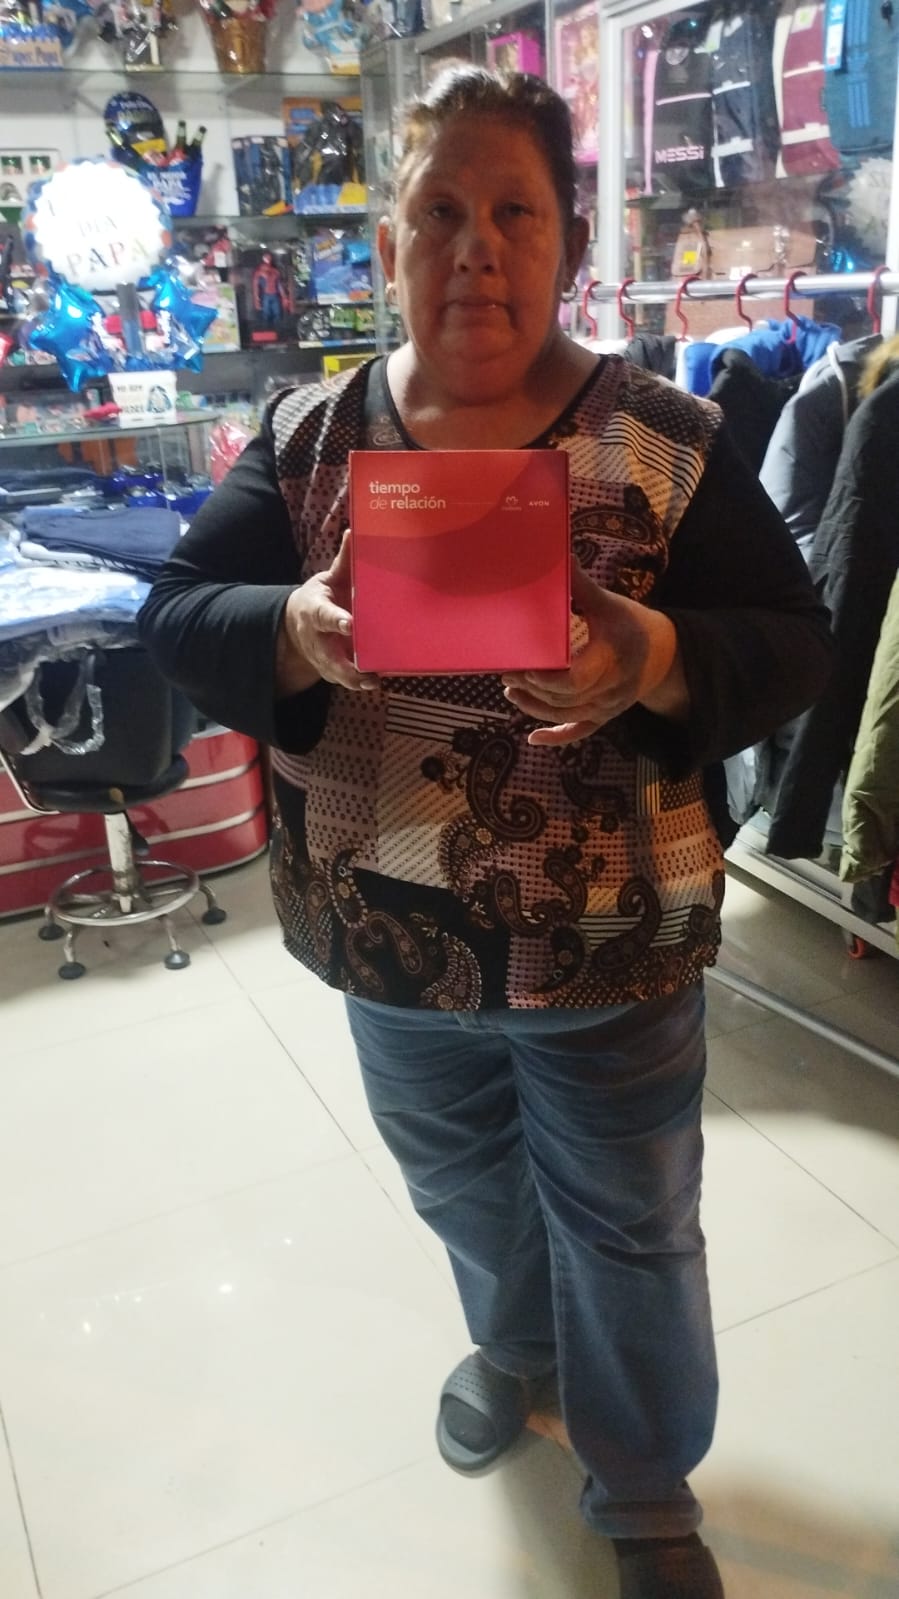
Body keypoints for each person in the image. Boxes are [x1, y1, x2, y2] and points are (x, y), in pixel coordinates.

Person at [138, 67, 832, 1599]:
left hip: (608, 952)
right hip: (387, 943)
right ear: (390, 241)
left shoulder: (664, 437)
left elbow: (796, 640)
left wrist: (653, 655)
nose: (477, 248)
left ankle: (642, 1490)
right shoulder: (313, 437)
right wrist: (295, 628)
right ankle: (516, 1347)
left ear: (566, 238)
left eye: (514, 211)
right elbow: (176, 613)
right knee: (459, 1185)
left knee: (631, 1224)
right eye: (440, 211)